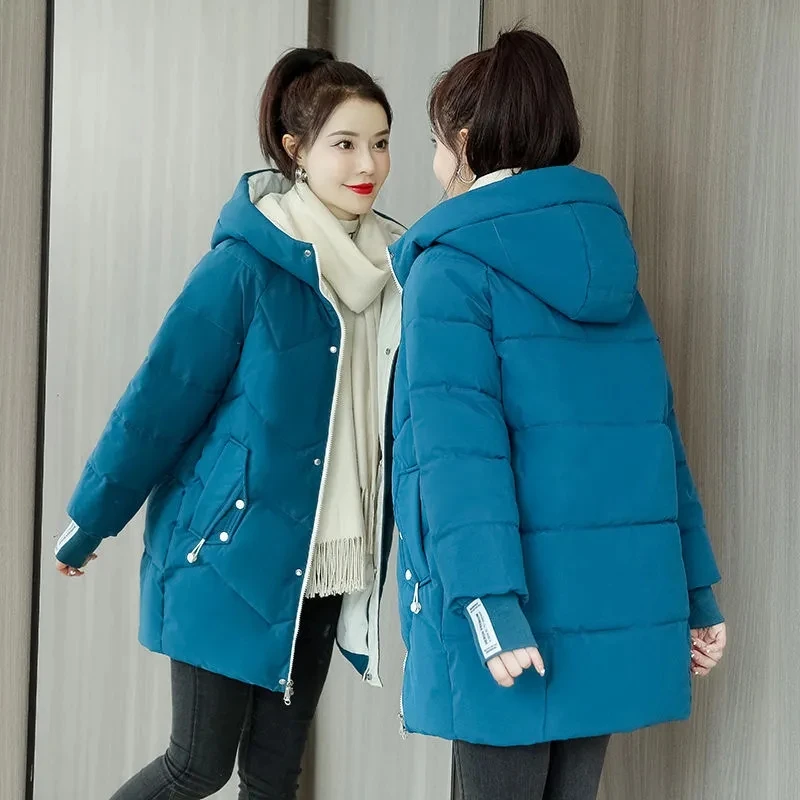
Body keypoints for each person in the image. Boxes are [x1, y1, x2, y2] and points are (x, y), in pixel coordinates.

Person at [54, 47, 403, 800]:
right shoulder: (244, 268)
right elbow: (158, 402)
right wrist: (91, 519)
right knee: (197, 767)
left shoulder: (395, 274)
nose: (367, 163)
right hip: (228, 549)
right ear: (296, 150)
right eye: (344, 143)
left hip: (324, 561)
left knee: (274, 779)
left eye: (380, 142)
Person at [388, 27, 727, 800]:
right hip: (603, 616)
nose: (434, 164)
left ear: (465, 144)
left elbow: (456, 459)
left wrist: (486, 605)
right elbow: (654, 446)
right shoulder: (609, 270)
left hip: (509, 614)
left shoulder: (451, 271)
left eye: (436, 143)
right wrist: (696, 594)